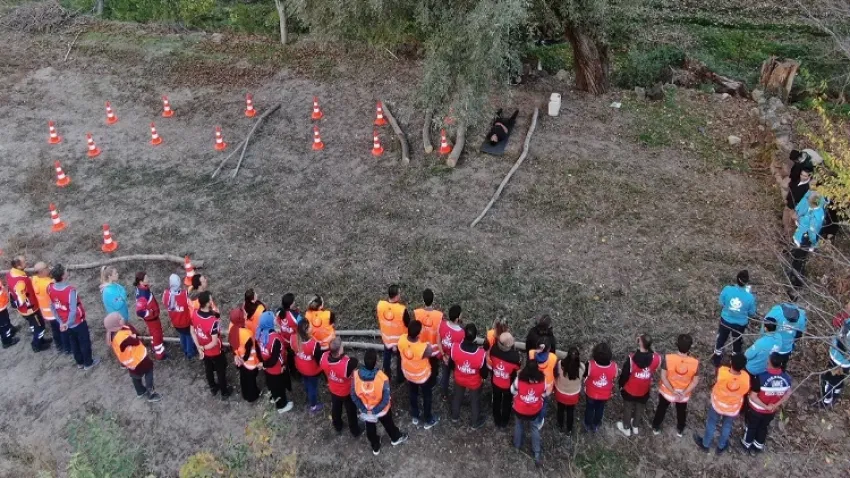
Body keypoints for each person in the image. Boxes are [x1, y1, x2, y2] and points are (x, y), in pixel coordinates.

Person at [351, 349, 408, 455]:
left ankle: (375, 446)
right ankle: (395, 438)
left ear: (363, 361)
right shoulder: (382, 377)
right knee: (388, 424)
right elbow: (386, 398)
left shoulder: (356, 376)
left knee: (370, 428)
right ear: (376, 362)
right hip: (382, 410)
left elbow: (353, 395)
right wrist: (375, 410)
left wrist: (365, 409)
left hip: (366, 410)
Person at [695, 354, 750, 454]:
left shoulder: (722, 371)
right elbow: (746, 390)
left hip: (718, 404)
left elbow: (717, 375)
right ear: (743, 367)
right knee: (727, 426)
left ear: (731, 363)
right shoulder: (746, 378)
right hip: (733, 408)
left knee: (711, 423)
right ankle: (721, 446)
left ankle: (705, 444)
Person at [47, 264, 98, 369]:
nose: (67, 271)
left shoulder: (50, 288)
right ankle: (88, 363)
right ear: (63, 276)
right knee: (84, 342)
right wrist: (68, 323)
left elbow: (52, 306)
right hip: (77, 322)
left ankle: (79, 363)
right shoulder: (70, 290)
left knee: (74, 342)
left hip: (65, 322)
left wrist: (62, 323)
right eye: (65, 271)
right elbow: (73, 310)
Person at [104, 312, 161, 402]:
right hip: (139, 359)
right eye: (120, 318)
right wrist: (133, 334)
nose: (122, 318)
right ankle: (151, 394)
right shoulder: (122, 337)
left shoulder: (112, 334)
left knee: (135, 375)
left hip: (129, 362)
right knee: (149, 370)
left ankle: (140, 391)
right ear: (115, 324)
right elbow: (135, 341)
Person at [741, 353, 791, 455]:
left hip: (756, 409)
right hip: (771, 411)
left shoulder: (760, 377)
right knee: (763, 427)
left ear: (769, 362)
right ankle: (758, 446)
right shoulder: (787, 378)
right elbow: (788, 394)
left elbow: (753, 396)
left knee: (751, 426)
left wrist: (765, 406)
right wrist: (775, 405)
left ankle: (746, 444)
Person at [651, 334, 699, 437]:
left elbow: (663, 377)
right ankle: (680, 430)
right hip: (683, 395)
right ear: (690, 347)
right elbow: (695, 381)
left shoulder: (668, 359)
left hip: (667, 392)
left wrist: (672, 391)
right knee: (681, 412)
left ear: (676, 344)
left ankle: (656, 427)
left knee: (661, 408)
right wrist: (683, 392)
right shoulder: (695, 363)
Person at [617, 334, 661, 437]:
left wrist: (621, 385)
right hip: (644, 390)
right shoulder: (656, 358)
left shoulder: (631, 358)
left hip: (630, 390)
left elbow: (624, 374)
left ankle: (626, 427)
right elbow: (656, 365)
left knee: (628, 407)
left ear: (639, 343)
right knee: (640, 407)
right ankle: (635, 426)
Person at [398, 319, 439, 429]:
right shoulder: (423, 348)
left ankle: (415, 416)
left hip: (408, 374)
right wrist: (428, 344)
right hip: (422, 377)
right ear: (418, 333)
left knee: (413, 393)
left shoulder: (401, 339)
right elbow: (431, 352)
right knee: (427, 396)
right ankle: (428, 418)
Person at [6, 256, 52, 352]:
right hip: (31, 310)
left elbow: (11, 291)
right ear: (18, 266)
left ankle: (41, 340)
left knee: (33, 325)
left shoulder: (11, 273)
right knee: (40, 326)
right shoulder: (20, 282)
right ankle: (37, 345)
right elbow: (20, 298)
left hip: (24, 310)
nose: (26, 262)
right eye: (24, 262)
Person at [191, 291, 231, 399]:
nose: (212, 300)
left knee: (208, 369)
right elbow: (213, 342)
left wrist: (199, 347)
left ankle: (213, 387)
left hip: (203, 349)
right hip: (214, 350)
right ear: (208, 303)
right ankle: (224, 392)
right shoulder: (212, 321)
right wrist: (202, 348)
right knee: (220, 370)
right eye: (210, 299)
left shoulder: (194, 313)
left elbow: (192, 331)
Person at [713, 270, 757, 367]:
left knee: (721, 338)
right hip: (740, 325)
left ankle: (717, 356)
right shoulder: (750, 297)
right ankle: (735, 359)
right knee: (737, 341)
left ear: (737, 279)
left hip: (725, 321)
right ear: (747, 282)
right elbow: (752, 313)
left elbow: (721, 303)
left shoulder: (727, 289)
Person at [320, 337, 361, 436]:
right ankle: (355, 431)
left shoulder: (324, 357)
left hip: (333, 389)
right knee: (351, 411)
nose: (343, 347)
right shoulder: (347, 364)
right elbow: (355, 361)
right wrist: (345, 357)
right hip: (346, 392)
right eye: (341, 347)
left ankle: (338, 426)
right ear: (339, 352)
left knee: (336, 408)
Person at [450, 323, 488, 428]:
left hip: (459, 378)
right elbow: (484, 373)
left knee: (457, 397)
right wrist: (483, 378)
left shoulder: (455, 348)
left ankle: (454, 417)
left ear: (464, 335)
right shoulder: (480, 354)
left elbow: (451, 364)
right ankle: (474, 422)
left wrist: (460, 370)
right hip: (474, 382)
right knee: (474, 401)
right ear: (475, 337)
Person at [511, 360, 547, 467]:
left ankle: (517, 446)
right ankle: (536, 452)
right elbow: (544, 394)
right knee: (534, 428)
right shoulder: (542, 380)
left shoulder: (520, 379)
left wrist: (520, 395)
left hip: (519, 409)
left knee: (518, 425)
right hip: (534, 411)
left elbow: (512, 390)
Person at [257, 310, 293, 413]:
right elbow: (274, 359)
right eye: (273, 319)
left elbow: (261, 350)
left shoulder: (259, 333)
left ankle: (273, 397)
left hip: (267, 368)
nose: (274, 320)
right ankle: (282, 406)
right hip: (277, 368)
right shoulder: (275, 339)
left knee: (272, 384)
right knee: (279, 387)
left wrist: (263, 364)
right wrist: (283, 364)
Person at [789, 192, 826, 286]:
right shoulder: (815, 208)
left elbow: (812, 232)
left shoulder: (816, 216)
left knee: (799, 260)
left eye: (809, 202)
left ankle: (797, 281)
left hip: (804, 241)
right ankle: (793, 273)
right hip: (801, 237)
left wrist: (813, 243)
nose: (807, 203)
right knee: (797, 258)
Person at [376, 284, 410, 382]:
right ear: (396, 296)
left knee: (386, 358)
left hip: (387, 339)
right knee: (400, 360)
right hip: (399, 341)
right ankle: (400, 378)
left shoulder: (380, 305)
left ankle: (386, 375)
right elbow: (408, 324)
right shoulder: (402, 310)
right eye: (399, 293)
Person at [32, 262, 68, 354]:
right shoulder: (49, 284)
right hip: (54, 312)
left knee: (55, 330)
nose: (49, 268)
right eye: (47, 267)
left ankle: (59, 345)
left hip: (45, 313)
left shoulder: (35, 279)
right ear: (42, 271)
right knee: (62, 330)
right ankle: (65, 347)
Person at [228, 308, 261, 402]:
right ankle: (252, 396)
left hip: (238, 358)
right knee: (251, 380)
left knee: (243, 378)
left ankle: (245, 394)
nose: (245, 315)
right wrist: (244, 359)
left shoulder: (231, 326)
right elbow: (249, 349)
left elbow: (231, 344)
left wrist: (236, 356)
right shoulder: (247, 334)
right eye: (244, 315)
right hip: (248, 361)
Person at [490, 332, 522, 428]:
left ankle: (497, 420)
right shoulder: (515, 357)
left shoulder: (494, 350)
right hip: (507, 385)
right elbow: (517, 369)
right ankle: (504, 421)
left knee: (496, 400)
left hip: (495, 381)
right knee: (507, 402)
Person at [291, 319, 323, 413]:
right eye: (309, 326)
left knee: (306, 382)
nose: (311, 327)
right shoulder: (312, 344)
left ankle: (307, 392)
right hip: (311, 370)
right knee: (313, 387)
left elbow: (293, 350)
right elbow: (318, 359)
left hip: (300, 366)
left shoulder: (294, 338)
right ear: (306, 330)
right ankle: (313, 406)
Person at [583, 342, 617, 432]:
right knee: (600, 409)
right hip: (605, 395)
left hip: (590, 393)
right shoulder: (614, 366)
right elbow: (614, 377)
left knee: (589, 408)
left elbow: (584, 375)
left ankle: (587, 424)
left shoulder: (590, 364)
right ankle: (596, 425)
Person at [163, 274, 196, 359]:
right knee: (189, 336)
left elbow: (165, 302)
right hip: (186, 323)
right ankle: (190, 352)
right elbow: (187, 295)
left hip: (175, 323)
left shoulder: (166, 295)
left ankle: (184, 349)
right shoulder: (183, 296)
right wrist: (193, 285)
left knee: (182, 335)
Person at [765, 301, 807, 369]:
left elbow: (765, 325)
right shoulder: (801, 316)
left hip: (772, 347)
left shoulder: (776, 310)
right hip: (786, 350)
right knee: (782, 367)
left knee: (767, 367)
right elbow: (798, 335)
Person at [413, 289, 443, 382]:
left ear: (423, 300)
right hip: (434, 349)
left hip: (421, 347)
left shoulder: (417, 313)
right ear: (433, 300)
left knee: (422, 365)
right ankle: (433, 380)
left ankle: (424, 379)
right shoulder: (439, 315)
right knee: (434, 367)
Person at [134, 272, 165, 360]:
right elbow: (139, 311)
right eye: (146, 278)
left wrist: (147, 287)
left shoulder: (141, 289)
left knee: (153, 332)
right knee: (157, 334)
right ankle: (160, 353)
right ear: (141, 282)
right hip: (152, 318)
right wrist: (150, 313)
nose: (148, 279)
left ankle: (154, 344)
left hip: (151, 318)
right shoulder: (143, 295)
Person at [554, 346, 584, 436]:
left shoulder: (560, 364)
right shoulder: (582, 368)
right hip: (573, 395)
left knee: (560, 409)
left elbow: (556, 374)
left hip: (560, 392)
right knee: (570, 411)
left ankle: (560, 426)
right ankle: (569, 429)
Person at [820, 317, 850, 406]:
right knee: (840, 377)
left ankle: (826, 401)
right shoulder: (848, 321)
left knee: (829, 380)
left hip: (839, 360)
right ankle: (837, 392)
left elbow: (842, 346)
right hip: (845, 362)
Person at [438, 304, 465, 399]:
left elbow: (439, 341)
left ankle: (444, 394)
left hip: (444, 357)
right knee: (456, 377)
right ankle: (457, 395)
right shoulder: (461, 333)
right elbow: (461, 350)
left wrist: (443, 355)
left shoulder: (442, 324)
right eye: (461, 315)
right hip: (454, 360)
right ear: (457, 319)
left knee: (445, 376)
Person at [275, 293, 300, 380]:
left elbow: (277, 322)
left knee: (288, 356)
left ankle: (290, 369)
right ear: (290, 304)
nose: (295, 302)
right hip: (293, 342)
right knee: (294, 357)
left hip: (283, 339)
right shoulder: (295, 317)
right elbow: (302, 326)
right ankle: (295, 372)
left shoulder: (279, 312)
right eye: (293, 302)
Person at [783, 165, 814, 235]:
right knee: (785, 221)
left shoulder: (807, 189)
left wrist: (797, 212)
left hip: (795, 210)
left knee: (791, 226)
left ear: (809, 176)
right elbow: (791, 190)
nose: (802, 177)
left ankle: (788, 240)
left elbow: (804, 203)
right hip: (788, 205)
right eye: (801, 174)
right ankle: (784, 235)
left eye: (805, 176)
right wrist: (787, 199)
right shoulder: (797, 180)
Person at [0, 281, 21, 348]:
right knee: (3, 325)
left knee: (6, 319)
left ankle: (11, 329)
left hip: (2, 305)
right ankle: (7, 341)